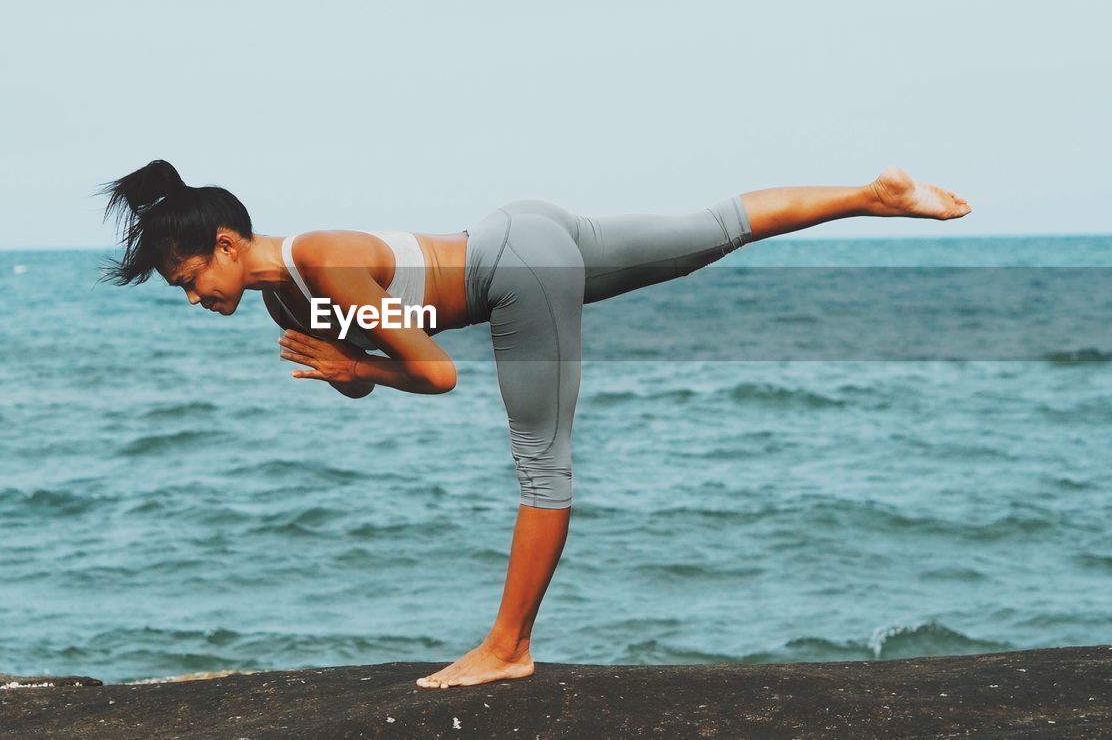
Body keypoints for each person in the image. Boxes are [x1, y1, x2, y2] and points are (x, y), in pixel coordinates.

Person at [99, 160, 971, 689]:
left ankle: (509, 647)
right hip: (523, 231)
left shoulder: (317, 261)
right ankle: (873, 194)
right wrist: (348, 373)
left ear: (222, 242)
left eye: (186, 279)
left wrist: (354, 366)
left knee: (542, 465)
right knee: (710, 230)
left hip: (512, 270)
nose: (191, 298)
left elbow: (434, 373)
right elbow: (372, 378)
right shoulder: (282, 295)